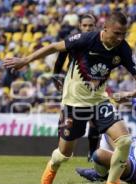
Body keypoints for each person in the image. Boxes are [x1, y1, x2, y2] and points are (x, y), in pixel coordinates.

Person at [3, 12, 136, 184]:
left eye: (123, 34)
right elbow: (54, 47)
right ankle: (53, 164)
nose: (120, 38)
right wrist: (25, 60)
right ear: (105, 28)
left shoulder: (122, 49)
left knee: (124, 140)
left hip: (99, 102)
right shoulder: (86, 40)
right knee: (64, 154)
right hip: (73, 103)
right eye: (116, 33)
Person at [52, 14, 100, 162]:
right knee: (65, 116)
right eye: (85, 25)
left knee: (95, 118)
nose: (87, 28)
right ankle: (61, 145)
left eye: (90, 25)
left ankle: (92, 152)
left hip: (95, 84)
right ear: (79, 26)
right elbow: (60, 62)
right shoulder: (72, 41)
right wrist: (56, 78)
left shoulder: (100, 41)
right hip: (73, 85)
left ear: (95, 26)